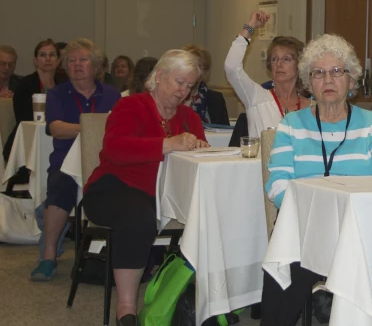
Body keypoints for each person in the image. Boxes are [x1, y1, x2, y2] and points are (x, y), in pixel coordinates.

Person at [261, 34, 372, 326]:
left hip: (360, 227)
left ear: (351, 81)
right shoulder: (291, 125)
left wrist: (348, 216)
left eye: (337, 72)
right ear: (309, 84)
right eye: (319, 73)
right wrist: (317, 213)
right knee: (287, 263)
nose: (328, 80)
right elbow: (277, 184)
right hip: (305, 226)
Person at [82, 50, 208, 326]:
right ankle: (126, 308)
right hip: (113, 188)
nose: (183, 91)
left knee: (215, 215)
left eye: (189, 86)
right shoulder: (130, 106)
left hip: (166, 197)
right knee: (138, 217)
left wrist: (200, 149)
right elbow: (115, 150)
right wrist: (168, 144)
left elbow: (199, 161)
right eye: (179, 82)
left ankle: (205, 300)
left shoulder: (189, 117)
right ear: (159, 76)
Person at [30, 39, 121, 282]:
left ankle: (121, 254)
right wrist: (92, 127)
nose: (77, 64)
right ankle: (48, 256)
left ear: (96, 66)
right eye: (71, 60)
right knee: (60, 186)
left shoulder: (112, 95)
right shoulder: (57, 94)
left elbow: (121, 128)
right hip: (65, 161)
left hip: (106, 162)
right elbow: (57, 129)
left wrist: (87, 128)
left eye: (83, 60)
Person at [224, 10, 310, 137]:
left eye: (286, 59)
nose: (279, 64)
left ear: (299, 65)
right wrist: (250, 26)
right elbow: (231, 68)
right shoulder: (256, 98)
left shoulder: (311, 107)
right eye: (274, 59)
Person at [12, 39, 61, 123]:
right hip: (30, 132)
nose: (48, 59)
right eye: (42, 55)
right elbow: (23, 117)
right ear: (35, 61)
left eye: (52, 55)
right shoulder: (26, 84)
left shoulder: (62, 85)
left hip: (58, 132)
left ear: (58, 60)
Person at [183, 45, 230, 125]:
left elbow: (225, 131)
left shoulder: (216, 99)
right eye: (195, 67)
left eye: (203, 67)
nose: (200, 71)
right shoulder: (175, 96)